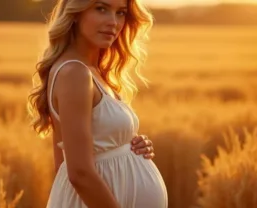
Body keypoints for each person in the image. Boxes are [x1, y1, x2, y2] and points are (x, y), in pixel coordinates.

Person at [27, 0, 168, 207]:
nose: (113, 22)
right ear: (75, 13)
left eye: (120, 13)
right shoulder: (74, 73)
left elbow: (64, 164)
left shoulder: (93, 72)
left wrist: (130, 146)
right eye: (101, 9)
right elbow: (79, 173)